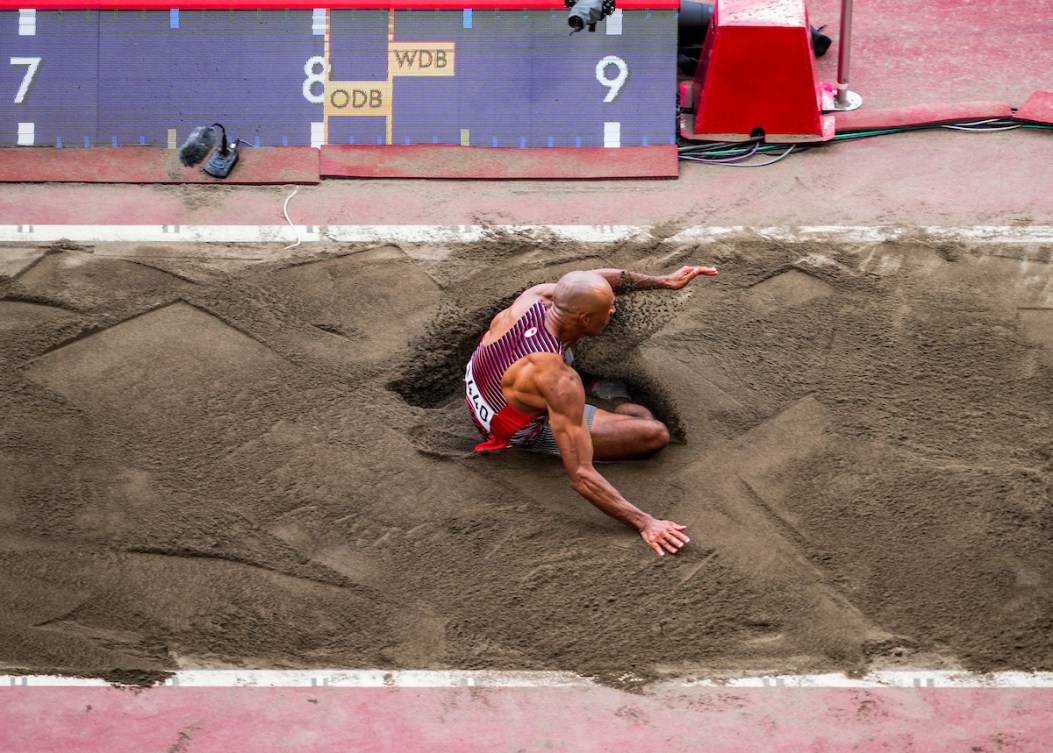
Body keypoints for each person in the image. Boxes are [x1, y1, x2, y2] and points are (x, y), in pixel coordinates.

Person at [465, 265, 719, 556]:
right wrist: (645, 523)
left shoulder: (534, 298)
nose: (612, 312)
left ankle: (580, 383)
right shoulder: (560, 382)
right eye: (606, 310)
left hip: (485, 386)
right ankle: (608, 392)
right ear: (585, 318)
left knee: (572, 349)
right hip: (512, 429)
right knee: (652, 432)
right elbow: (582, 476)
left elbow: (593, 281)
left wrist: (664, 282)